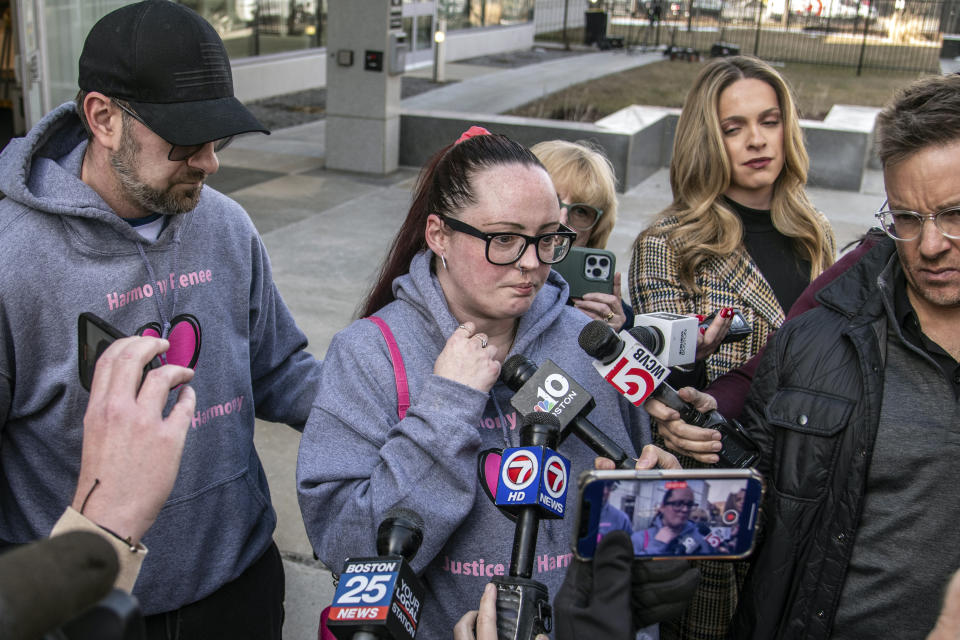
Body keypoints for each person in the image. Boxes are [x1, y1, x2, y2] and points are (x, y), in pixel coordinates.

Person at [0, 3, 321, 637]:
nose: (210, 161)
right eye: (187, 138)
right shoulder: (12, 260)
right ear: (103, 118)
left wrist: (396, 395)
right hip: (84, 609)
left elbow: (280, 370)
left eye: (219, 136)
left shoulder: (226, 225)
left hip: (240, 580)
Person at [297, 127, 653, 640]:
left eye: (547, 238)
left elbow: (636, 493)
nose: (531, 263)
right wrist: (448, 405)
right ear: (439, 234)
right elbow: (345, 542)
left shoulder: (593, 345)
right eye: (503, 239)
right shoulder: (369, 353)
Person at [720, 73, 960, 638]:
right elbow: (752, 492)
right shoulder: (815, 342)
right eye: (906, 218)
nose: (929, 245)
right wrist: (680, 480)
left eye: (955, 214)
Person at [628, 55, 835, 639]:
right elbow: (653, 383)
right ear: (706, 138)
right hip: (706, 486)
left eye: (769, 121)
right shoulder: (669, 244)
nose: (756, 141)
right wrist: (672, 409)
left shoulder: (812, 231)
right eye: (733, 127)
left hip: (802, 482)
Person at [531, 139, 632, 330]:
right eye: (552, 199)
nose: (562, 220)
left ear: (595, 230)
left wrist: (614, 341)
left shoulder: (611, 310)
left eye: (581, 212)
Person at [632, 485, 712, 556]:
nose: (685, 509)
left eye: (689, 505)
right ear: (663, 507)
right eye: (678, 504)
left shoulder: (700, 537)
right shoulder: (639, 538)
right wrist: (657, 545)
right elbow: (632, 569)